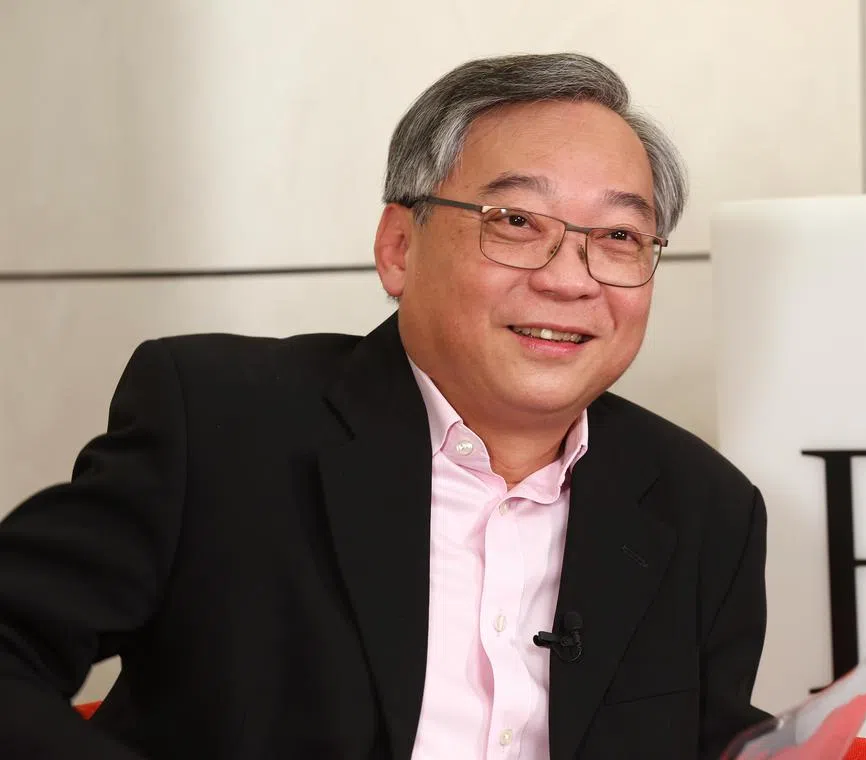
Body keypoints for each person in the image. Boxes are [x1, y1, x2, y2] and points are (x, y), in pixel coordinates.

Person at [0, 53, 769, 759]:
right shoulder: (221, 424)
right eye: (515, 222)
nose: (570, 280)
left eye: (620, 235)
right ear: (399, 246)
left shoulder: (705, 509)